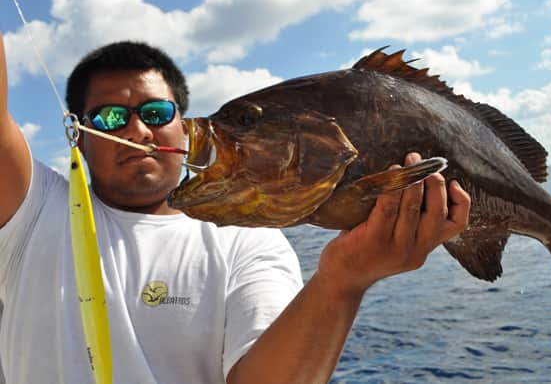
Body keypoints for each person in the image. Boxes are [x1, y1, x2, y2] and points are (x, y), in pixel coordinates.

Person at [0, 31, 471, 384]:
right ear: (79, 135)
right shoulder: (33, 212)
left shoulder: (250, 240)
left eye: (157, 114)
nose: (138, 131)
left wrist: (343, 280)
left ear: (184, 128)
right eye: (110, 118)